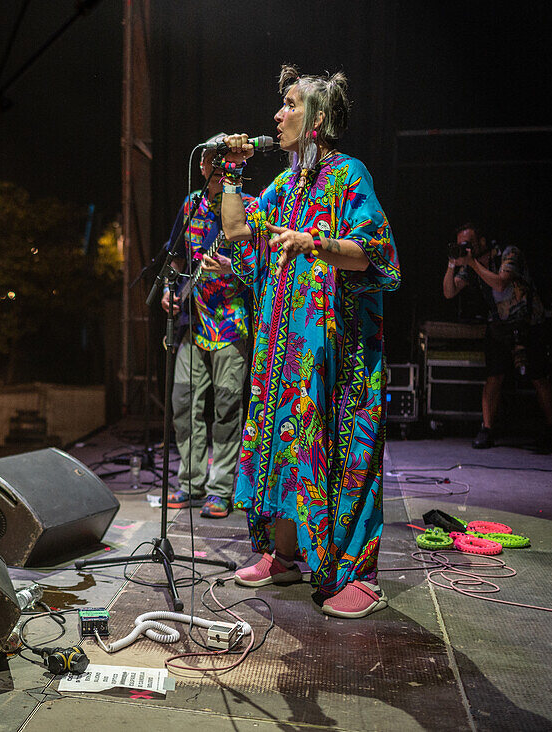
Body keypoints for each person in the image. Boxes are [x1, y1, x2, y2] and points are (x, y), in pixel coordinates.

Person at [217, 66, 401, 618]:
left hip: (340, 355)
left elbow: (371, 251)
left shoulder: (349, 175)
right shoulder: (281, 187)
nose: (277, 114)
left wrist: (314, 242)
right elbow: (234, 230)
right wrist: (229, 173)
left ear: (317, 117)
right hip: (284, 350)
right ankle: (284, 555)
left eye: (290, 104)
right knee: (281, 445)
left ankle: (358, 576)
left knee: (345, 455)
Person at [159, 149, 251, 519]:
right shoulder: (191, 204)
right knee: (183, 404)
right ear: (202, 168)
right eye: (210, 163)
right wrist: (169, 289)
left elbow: (260, 263)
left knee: (227, 409)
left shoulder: (247, 205)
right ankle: (192, 481)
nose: (214, 169)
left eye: (222, 163)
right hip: (192, 323)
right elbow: (177, 257)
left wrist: (233, 265)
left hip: (231, 322)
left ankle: (220, 488)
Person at [441, 223, 552, 451]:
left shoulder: (508, 253)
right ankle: (487, 429)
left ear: (482, 242)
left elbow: (500, 282)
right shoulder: (470, 265)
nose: (464, 249)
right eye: (460, 246)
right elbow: (449, 292)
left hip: (528, 323)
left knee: (538, 377)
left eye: (467, 244)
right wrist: (451, 263)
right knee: (493, 377)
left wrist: (471, 263)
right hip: (499, 327)